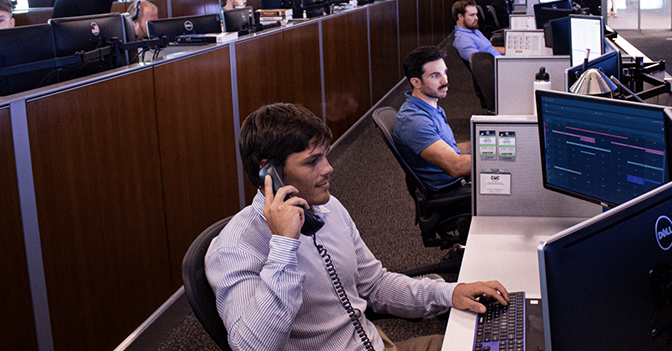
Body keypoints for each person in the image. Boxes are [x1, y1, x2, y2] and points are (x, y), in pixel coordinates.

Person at [206, 102, 507, 351]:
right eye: (312, 161)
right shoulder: (236, 246)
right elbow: (251, 347)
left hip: (376, 345)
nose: (328, 168)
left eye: (325, 155)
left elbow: (374, 285)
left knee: (489, 342)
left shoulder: (328, 208)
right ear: (268, 172)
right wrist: (284, 244)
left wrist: (449, 294)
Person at [394, 46, 473, 193]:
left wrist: (488, 147)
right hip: (451, 191)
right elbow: (455, 166)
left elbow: (451, 149)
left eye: (444, 73)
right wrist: (497, 160)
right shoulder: (415, 121)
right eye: (435, 76)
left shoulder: (430, 107)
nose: (445, 81)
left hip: (458, 181)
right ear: (416, 82)